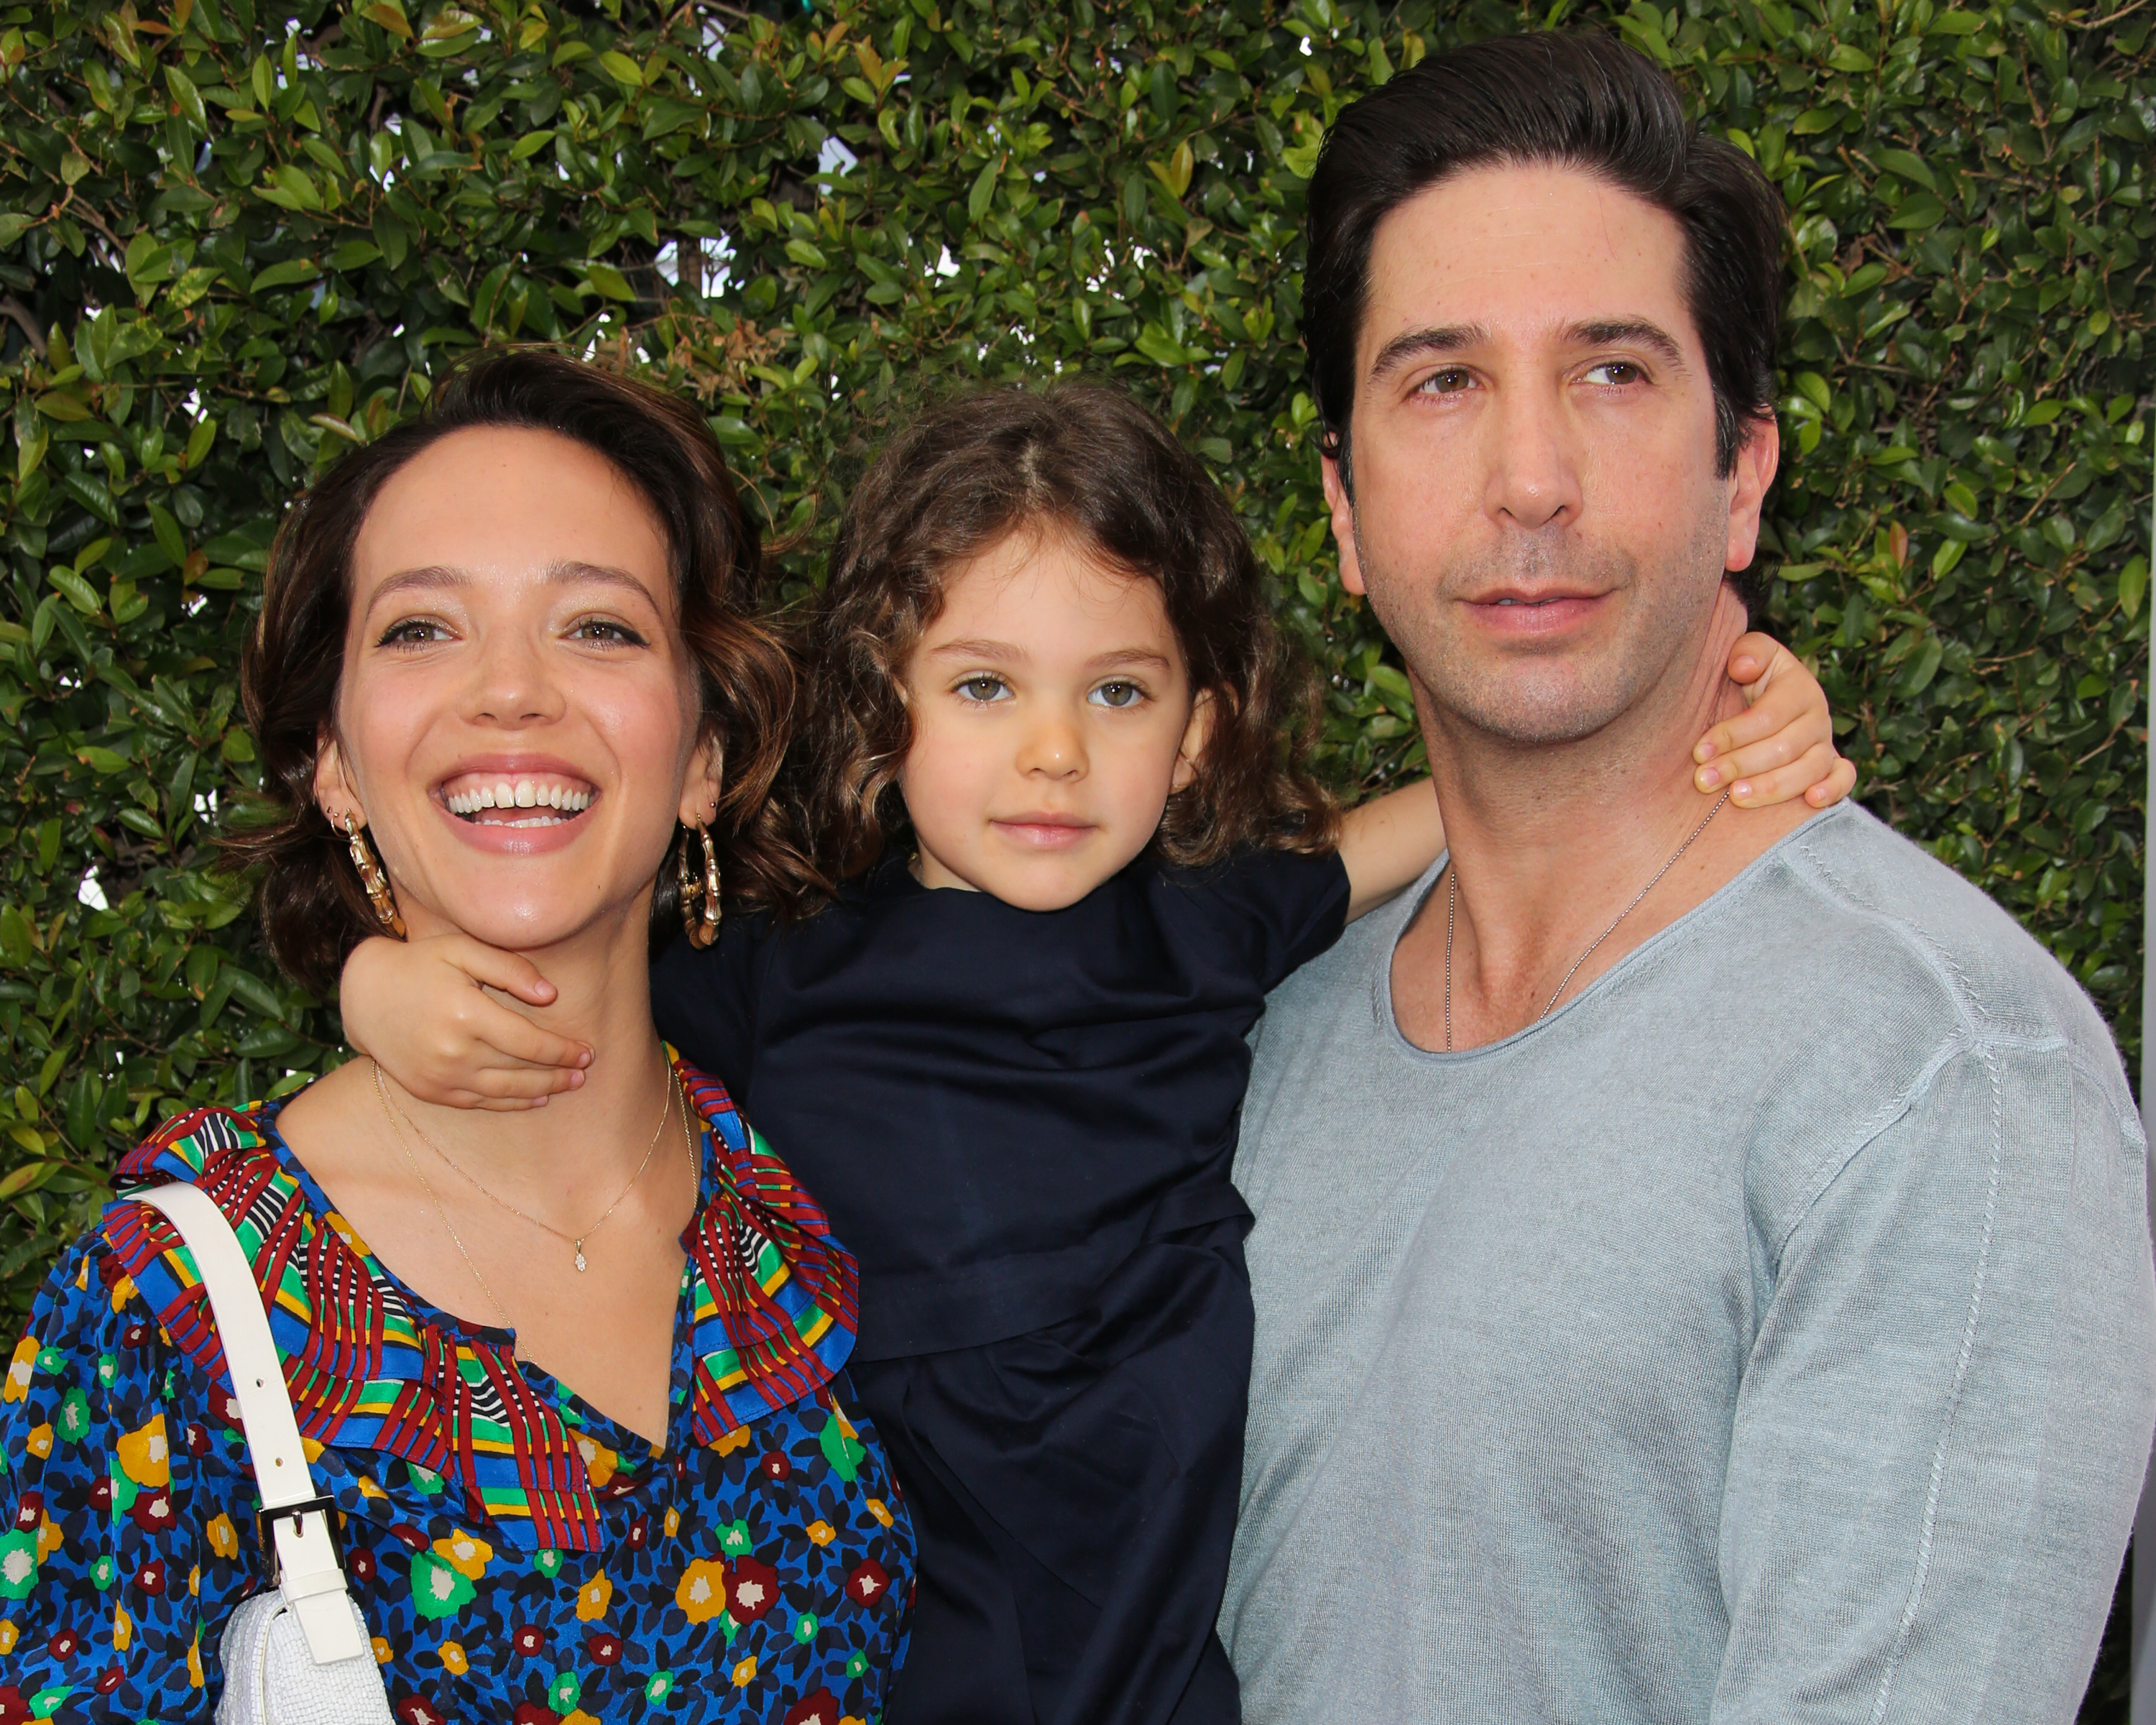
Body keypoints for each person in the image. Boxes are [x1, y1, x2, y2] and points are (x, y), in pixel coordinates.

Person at [337, 381, 1849, 1724]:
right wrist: (375, 985)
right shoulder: (782, 970)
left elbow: (1482, 803)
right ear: (889, 705)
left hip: (1159, 1601)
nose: (1053, 752)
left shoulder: (1209, 927)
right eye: (987, 688)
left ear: (1194, 733)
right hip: (913, 1612)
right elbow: (553, 1024)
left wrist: (1713, 716)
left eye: (1116, 693)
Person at [1217, 28, 2156, 1724]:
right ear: (1345, 513)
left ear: (1745, 480)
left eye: (1613, 373)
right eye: (1442, 379)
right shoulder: (1259, 1029)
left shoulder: (1939, 1070)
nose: (1529, 480)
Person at [0, 352, 916, 1721]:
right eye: (424, 629)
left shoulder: (805, 1185)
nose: (510, 693)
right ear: (333, 761)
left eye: (597, 628)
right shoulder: (163, 1315)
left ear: (707, 754)